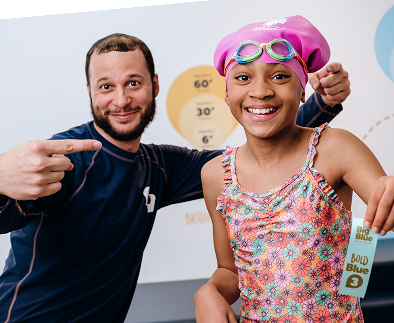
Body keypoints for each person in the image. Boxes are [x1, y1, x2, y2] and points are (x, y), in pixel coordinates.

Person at [0, 32, 352, 322]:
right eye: (106, 86)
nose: (121, 100)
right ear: (90, 92)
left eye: (133, 83)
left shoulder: (160, 165)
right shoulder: (64, 157)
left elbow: (260, 156)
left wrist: (321, 102)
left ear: (153, 85)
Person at [194, 16, 394, 323]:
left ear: (303, 91)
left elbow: (388, 207)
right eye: (243, 78)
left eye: (279, 77)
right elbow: (229, 271)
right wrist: (208, 292)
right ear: (226, 94)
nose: (260, 91)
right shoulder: (215, 175)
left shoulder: (335, 149)